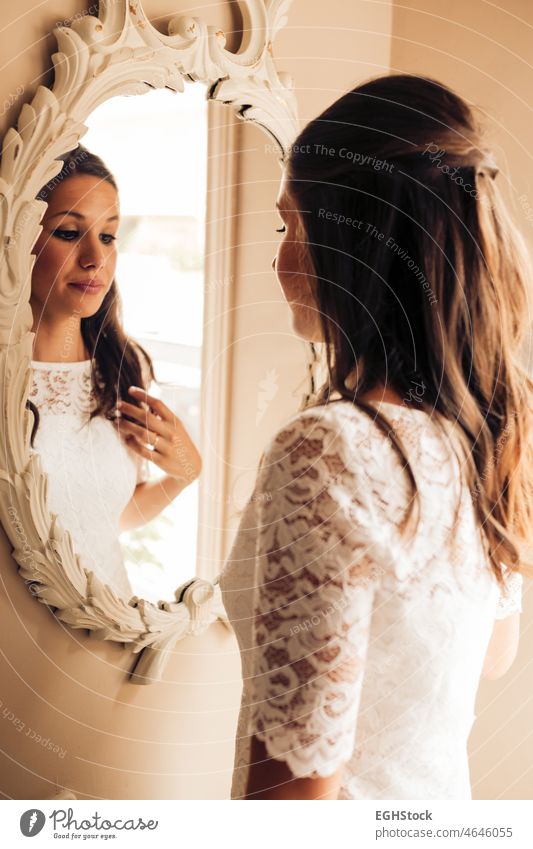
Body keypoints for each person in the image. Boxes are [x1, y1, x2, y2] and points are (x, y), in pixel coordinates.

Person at [219, 73, 532, 800]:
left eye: (288, 226)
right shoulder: (486, 434)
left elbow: (292, 802)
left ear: (348, 241)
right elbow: (493, 652)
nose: (278, 259)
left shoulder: (332, 451)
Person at [29, 146, 201, 598]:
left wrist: (184, 473)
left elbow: (109, 517)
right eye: (68, 232)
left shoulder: (124, 365)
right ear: (18, 237)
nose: (95, 258)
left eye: (108, 236)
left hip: (105, 629)